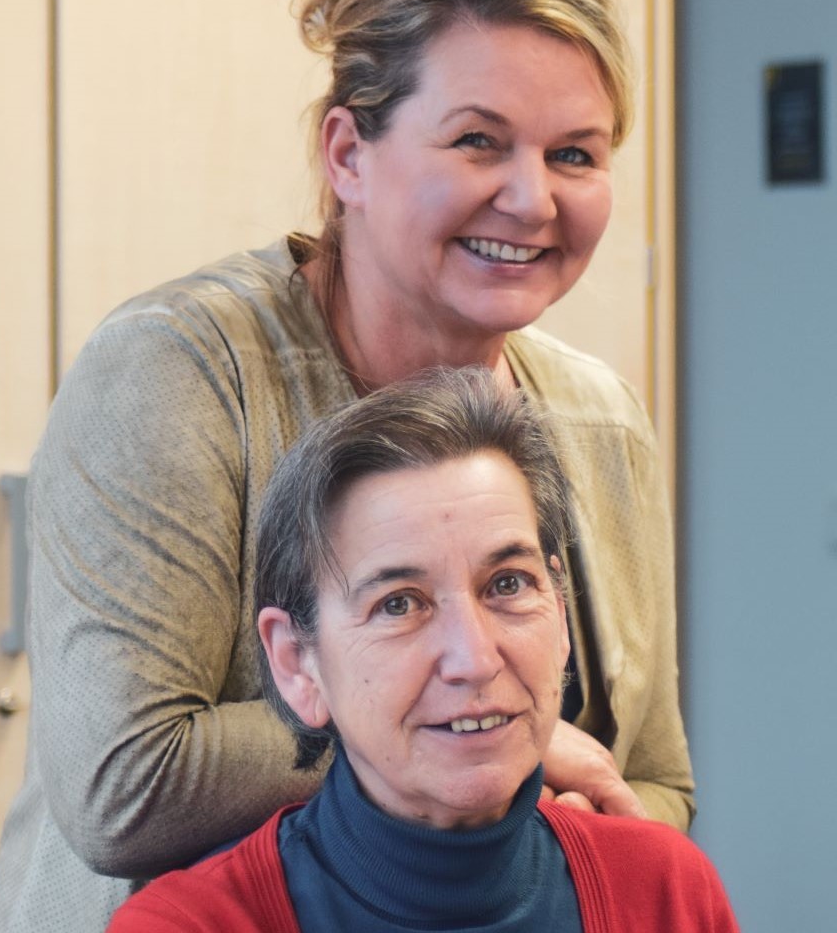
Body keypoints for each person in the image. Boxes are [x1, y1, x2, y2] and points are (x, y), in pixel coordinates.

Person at [0, 0, 694, 931]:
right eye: (478, 141)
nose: (532, 199)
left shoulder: (600, 421)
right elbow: (125, 781)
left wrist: (557, 818)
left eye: (574, 154)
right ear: (347, 154)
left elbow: (653, 779)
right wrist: (492, 732)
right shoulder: (180, 371)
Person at [107, 368, 737, 933]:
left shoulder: (665, 890)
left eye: (508, 585)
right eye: (399, 604)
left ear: (561, 613)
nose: (475, 660)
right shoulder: (188, 924)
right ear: (298, 663)